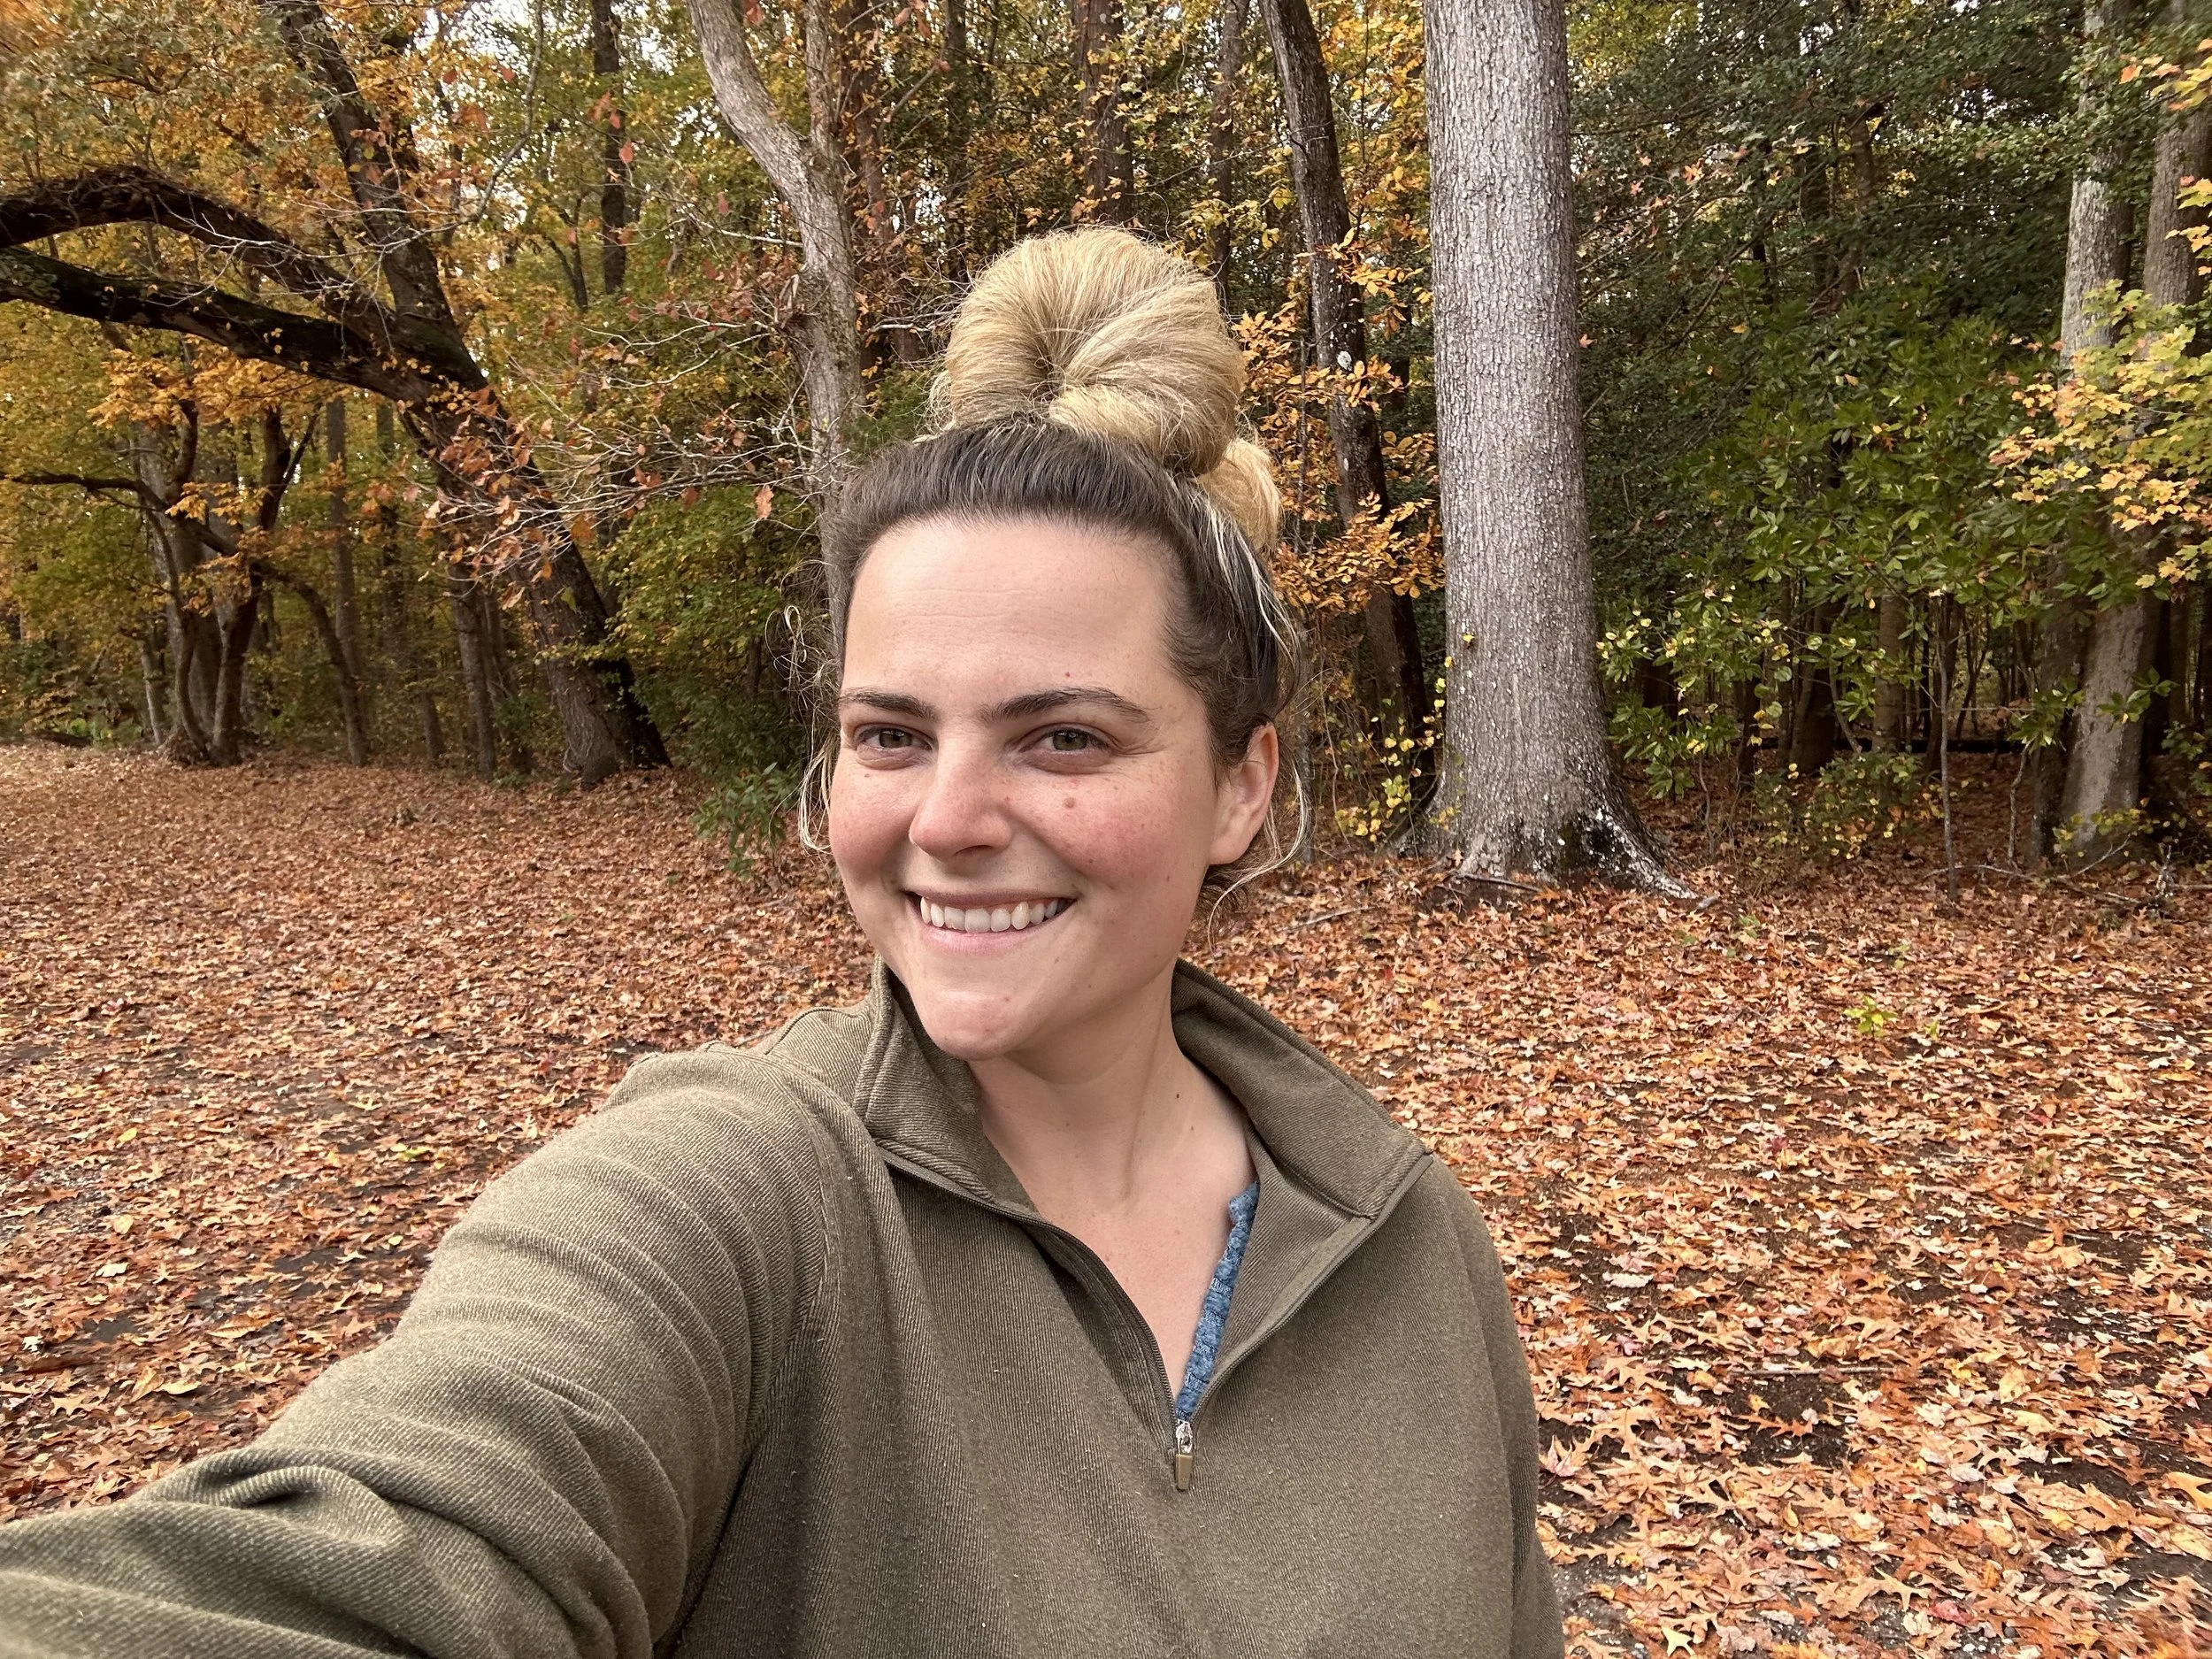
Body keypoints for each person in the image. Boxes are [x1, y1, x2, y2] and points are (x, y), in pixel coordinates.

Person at [0, 227, 1563, 1659]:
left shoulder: (1405, 1248)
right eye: (891, 733)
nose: (946, 818)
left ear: (1242, 783)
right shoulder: (737, 1207)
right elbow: (390, 1548)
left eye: (1064, 737)